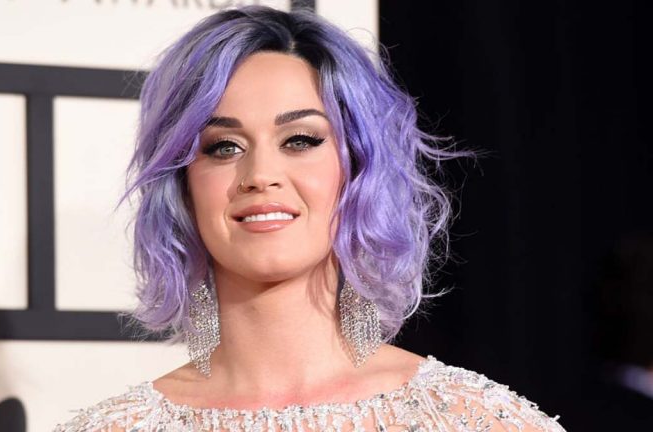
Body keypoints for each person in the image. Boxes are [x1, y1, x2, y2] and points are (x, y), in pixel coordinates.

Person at [54, 6, 566, 431]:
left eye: (300, 140)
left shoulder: (474, 420)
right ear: (182, 186)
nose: (260, 175)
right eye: (223, 146)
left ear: (359, 169)